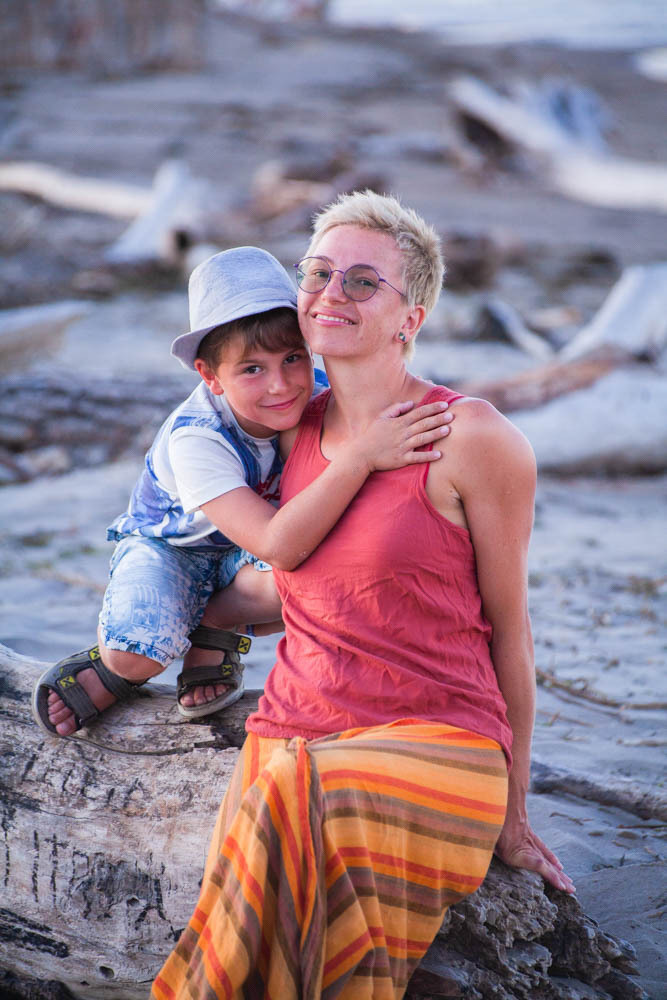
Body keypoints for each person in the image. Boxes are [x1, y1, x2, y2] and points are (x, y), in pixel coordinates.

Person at [151, 191, 575, 1000]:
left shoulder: (472, 437)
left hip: (437, 740)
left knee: (298, 795)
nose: (329, 294)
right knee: (285, 789)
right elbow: (286, 575)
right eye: (317, 274)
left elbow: (510, 632)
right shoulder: (283, 430)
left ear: (410, 319)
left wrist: (514, 813)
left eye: (360, 281)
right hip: (292, 730)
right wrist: (163, 636)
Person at [32, 245, 452, 738]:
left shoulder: (321, 394)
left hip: (252, 553)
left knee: (342, 568)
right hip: (176, 549)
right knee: (136, 655)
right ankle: (114, 669)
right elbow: (277, 543)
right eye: (252, 369)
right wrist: (362, 455)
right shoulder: (197, 438)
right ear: (210, 376)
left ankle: (216, 625)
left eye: (292, 358)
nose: (280, 386)